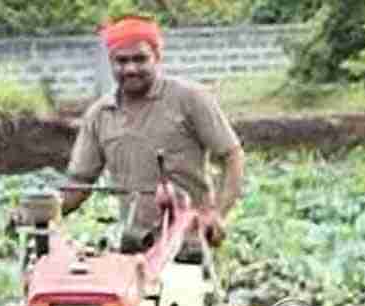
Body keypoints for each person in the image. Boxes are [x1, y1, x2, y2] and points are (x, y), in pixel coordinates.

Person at [57, 15, 246, 251]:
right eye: (121, 61)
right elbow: (80, 183)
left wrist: (217, 214)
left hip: (188, 238)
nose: (130, 68)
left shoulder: (189, 99)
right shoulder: (100, 114)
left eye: (140, 59)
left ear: (157, 57)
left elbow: (232, 156)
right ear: (111, 62)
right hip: (135, 241)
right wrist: (43, 213)